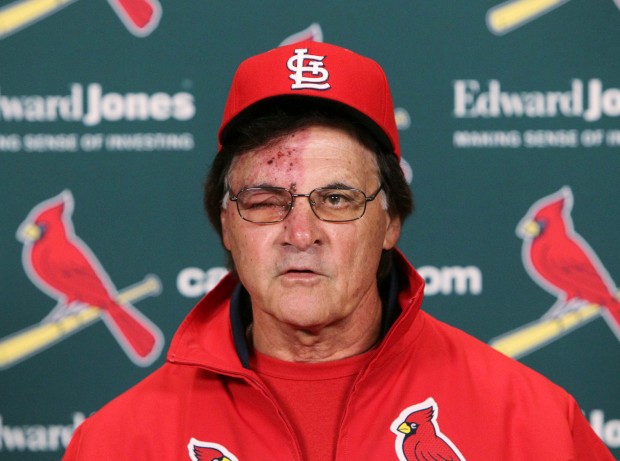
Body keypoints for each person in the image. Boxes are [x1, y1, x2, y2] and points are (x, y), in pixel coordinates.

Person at [63, 41, 614, 461]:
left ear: (390, 220)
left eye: (336, 198)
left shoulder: (534, 426)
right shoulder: (117, 443)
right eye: (266, 199)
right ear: (226, 225)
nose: (300, 233)